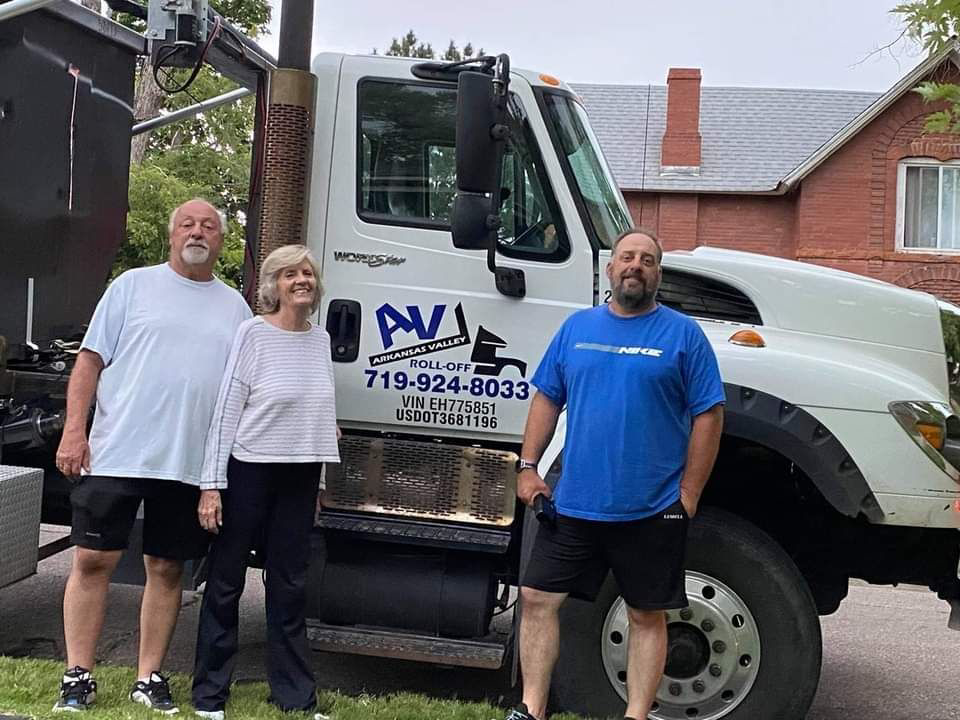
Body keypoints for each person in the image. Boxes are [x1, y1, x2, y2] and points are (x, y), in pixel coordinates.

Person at [506, 228, 725, 720]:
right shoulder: (576, 328)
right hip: (575, 502)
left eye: (647, 260)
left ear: (658, 274)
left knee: (647, 615)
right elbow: (547, 397)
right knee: (537, 597)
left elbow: (709, 414)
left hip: (651, 507)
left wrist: (687, 493)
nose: (636, 266)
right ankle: (532, 709)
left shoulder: (682, 335)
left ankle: (637, 715)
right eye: (627, 257)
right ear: (610, 269)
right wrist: (528, 467)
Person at [53, 199, 252, 713]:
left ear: (221, 240)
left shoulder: (235, 308)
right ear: (172, 234)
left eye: (209, 225)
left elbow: (249, 385)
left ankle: (149, 677)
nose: (198, 231)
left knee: (166, 569)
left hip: (187, 462)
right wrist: (75, 430)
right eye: (187, 223)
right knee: (93, 559)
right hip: (117, 452)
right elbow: (89, 361)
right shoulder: (131, 286)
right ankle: (78, 674)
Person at [191, 244, 340, 720]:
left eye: (307, 274)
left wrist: (318, 484)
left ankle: (295, 696)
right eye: (290, 274)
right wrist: (211, 485)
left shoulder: (320, 341)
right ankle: (210, 694)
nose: (301, 281)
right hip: (248, 469)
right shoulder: (252, 334)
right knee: (226, 582)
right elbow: (226, 411)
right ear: (274, 285)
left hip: (298, 476)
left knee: (290, 587)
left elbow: (319, 416)